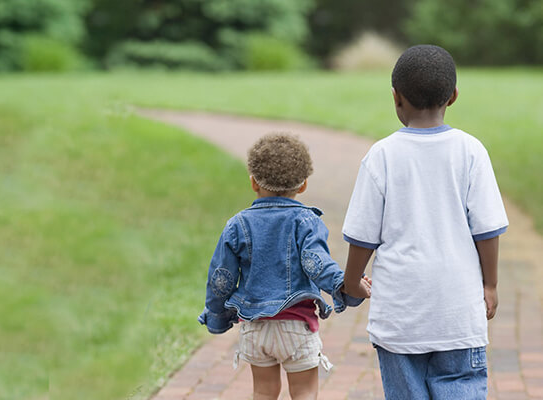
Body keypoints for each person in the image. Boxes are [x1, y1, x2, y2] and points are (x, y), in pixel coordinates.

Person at [342, 44, 508, 399]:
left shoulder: (381, 156)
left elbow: (362, 236)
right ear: (453, 96)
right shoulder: (471, 151)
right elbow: (487, 229)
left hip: (401, 319)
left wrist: (352, 281)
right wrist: (490, 285)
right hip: (459, 314)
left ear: (396, 97)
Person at [199, 133, 371, 400]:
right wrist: (345, 286)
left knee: (264, 392)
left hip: (256, 329)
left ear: (253, 182)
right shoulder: (306, 221)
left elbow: (221, 278)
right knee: (304, 391)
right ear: (302, 186)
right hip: (296, 326)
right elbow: (317, 265)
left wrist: (216, 314)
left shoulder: (237, 224)